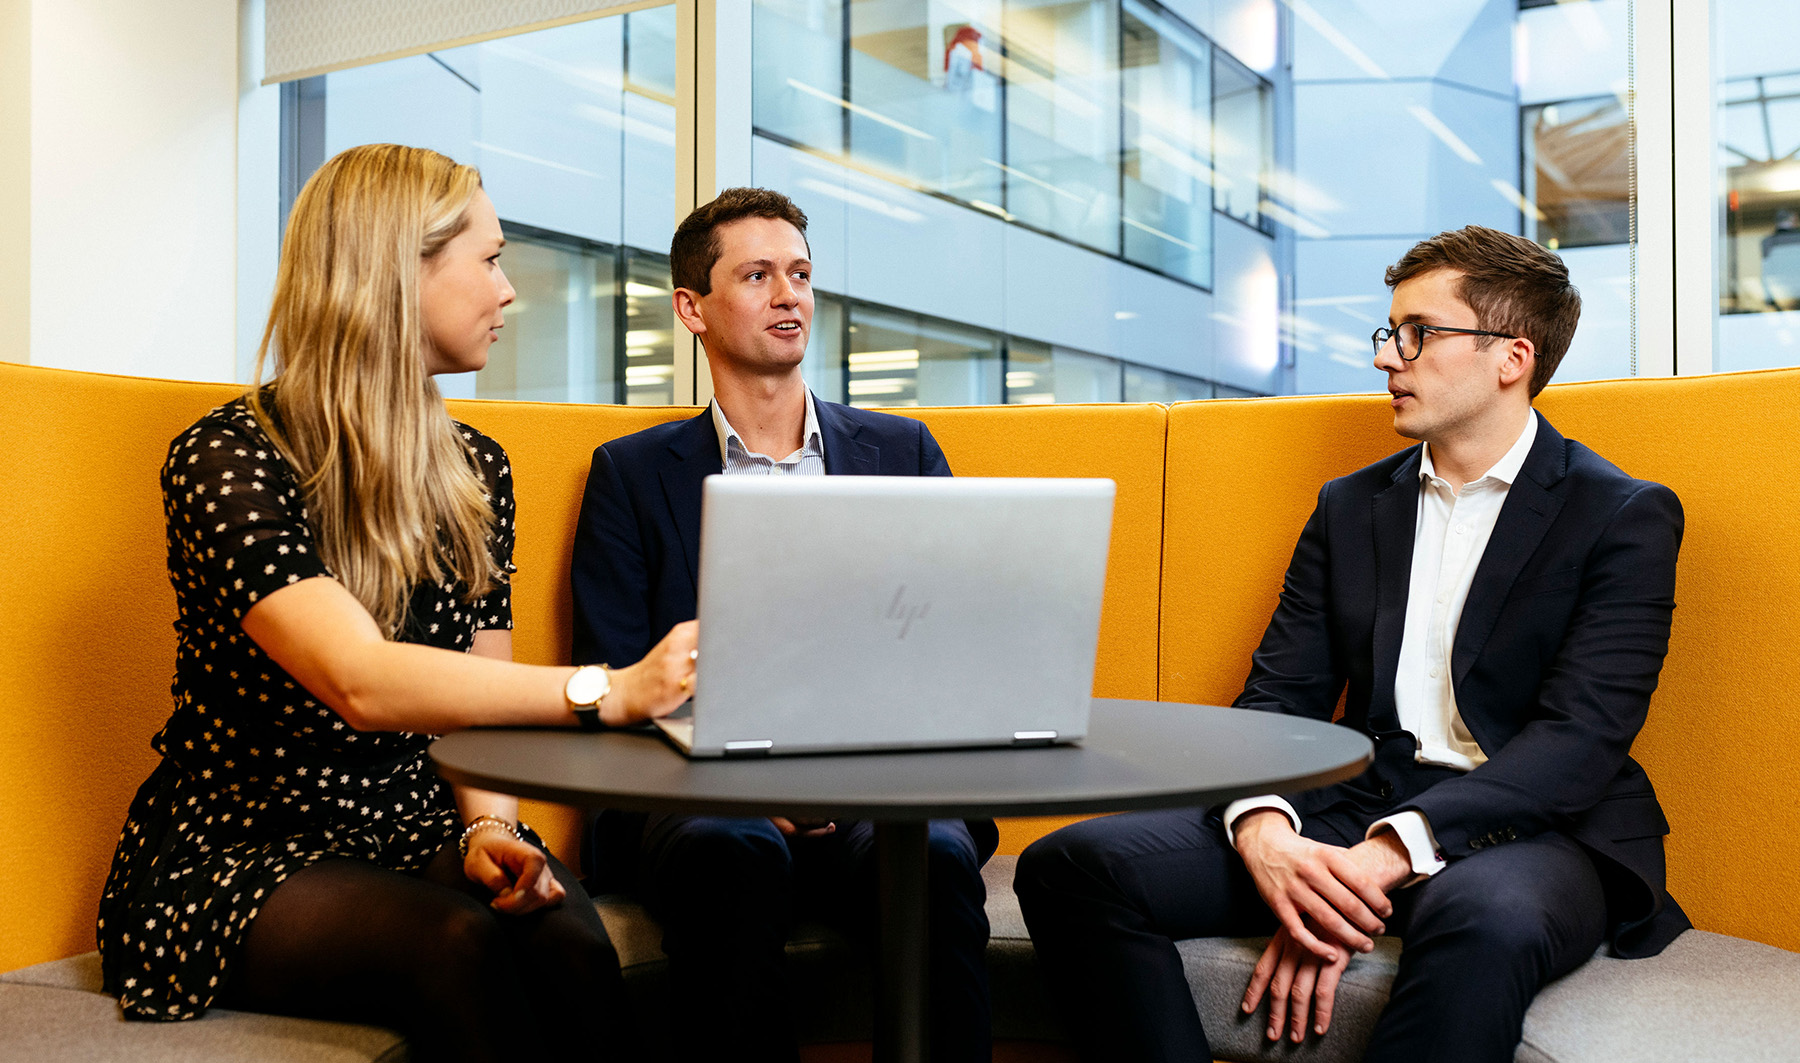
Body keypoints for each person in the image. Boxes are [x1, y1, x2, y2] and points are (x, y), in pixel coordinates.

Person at [1014, 225, 1688, 1063]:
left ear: (1511, 358)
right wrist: (1267, 834)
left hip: (1536, 830)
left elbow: (1577, 742)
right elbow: (1277, 700)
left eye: (1419, 333)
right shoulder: (1351, 505)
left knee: (1484, 921)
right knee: (1071, 864)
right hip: (1352, 801)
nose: (1387, 358)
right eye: (1389, 332)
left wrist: (1380, 859)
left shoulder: (1622, 514)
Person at [96, 143, 698, 1062]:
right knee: (456, 946)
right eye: (491, 259)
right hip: (242, 847)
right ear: (397, 268)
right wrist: (605, 689)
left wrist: (490, 826)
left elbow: (474, 699)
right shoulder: (228, 459)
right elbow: (362, 681)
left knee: (571, 939)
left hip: (409, 823)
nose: (508, 291)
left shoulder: (476, 468)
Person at [569, 187, 997, 1063]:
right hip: (703, 803)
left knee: (937, 856)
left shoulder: (903, 452)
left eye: (800, 274)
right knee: (734, 851)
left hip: (876, 794)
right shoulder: (630, 474)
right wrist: (755, 785)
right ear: (691, 307)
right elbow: (614, 679)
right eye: (757, 275)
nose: (788, 294)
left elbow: (956, 655)